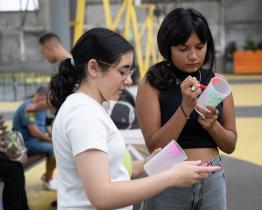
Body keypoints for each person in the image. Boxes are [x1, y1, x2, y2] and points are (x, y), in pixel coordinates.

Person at [49, 27, 220, 210]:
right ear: (93, 68)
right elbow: (102, 196)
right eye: (122, 71)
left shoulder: (86, 108)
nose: (129, 80)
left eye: (130, 72)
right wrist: (172, 177)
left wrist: (144, 166)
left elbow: (109, 171)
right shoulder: (83, 115)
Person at [136, 8, 237, 210]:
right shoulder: (153, 82)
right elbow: (154, 147)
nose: (193, 56)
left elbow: (230, 145)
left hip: (212, 178)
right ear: (168, 47)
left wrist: (213, 126)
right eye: (183, 49)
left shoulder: (217, 83)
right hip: (168, 180)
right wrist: (185, 108)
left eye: (200, 47)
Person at [12, 86, 57, 191]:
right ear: (40, 96)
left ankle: (47, 175)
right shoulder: (29, 107)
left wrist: (53, 136)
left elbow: (46, 126)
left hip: (37, 140)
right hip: (27, 142)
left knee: (57, 146)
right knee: (53, 149)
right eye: (46, 99)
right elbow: (35, 132)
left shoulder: (42, 108)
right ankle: (48, 180)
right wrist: (51, 140)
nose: (47, 102)